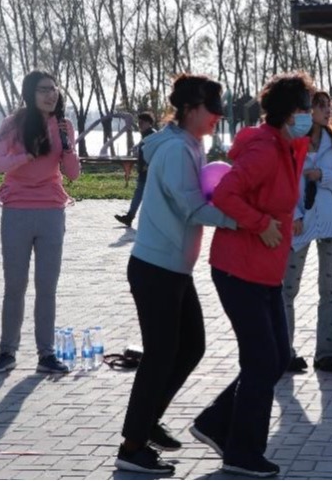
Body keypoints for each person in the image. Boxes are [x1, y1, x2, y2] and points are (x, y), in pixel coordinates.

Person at [190, 72, 314, 478]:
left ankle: (215, 423)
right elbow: (226, 193)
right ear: (290, 112)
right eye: (306, 108)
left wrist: (279, 221)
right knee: (261, 361)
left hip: (265, 272)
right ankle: (242, 453)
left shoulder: (287, 146)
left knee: (277, 358)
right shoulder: (264, 149)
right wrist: (261, 224)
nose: (312, 116)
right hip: (238, 269)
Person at [115, 75, 236, 475]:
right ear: (188, 110)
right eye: (210, 109)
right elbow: (193, 208)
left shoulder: (190, 144)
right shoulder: (174, 151)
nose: (217, 116)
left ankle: (148, 421)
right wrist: (244, 220)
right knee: (160, 355)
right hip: (156, 268)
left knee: (190, 346)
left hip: (173, 268)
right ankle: (132, 447)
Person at [0, 71, 80, 375]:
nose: (51, 95)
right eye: (43, 90)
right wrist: (25, 156)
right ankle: (7, 352)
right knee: (15, 285)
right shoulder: (13, 124)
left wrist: (68, 148)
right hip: (17, 210)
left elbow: (73, 174)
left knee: (47, 287)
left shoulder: (64, 126)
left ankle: (46, 355)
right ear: (30, 93)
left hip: (52, 211)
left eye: (54, 89)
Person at [282, 91, 332, 373]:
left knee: (329, 288)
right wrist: (294, 215)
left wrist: (323, 175)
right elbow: (283, 183)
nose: (327, 110)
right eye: (319, 106)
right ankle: (284, 351)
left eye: (328, 105)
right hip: (299, 223)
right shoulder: (290, 142)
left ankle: (327, 353)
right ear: (306, 110)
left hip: (331, 223)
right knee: (288, 288)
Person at [115, 112, 157, 228]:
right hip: (144, 171)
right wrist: (136, 149)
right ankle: (130, 217)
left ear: (149, 123)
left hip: (149, 172)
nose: (140, 124)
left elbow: (155, 152)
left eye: (142, 122)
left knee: (145, 196)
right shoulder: (146, 135)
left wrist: (148, 164)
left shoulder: (152, 136)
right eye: (139, 122)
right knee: (140, 194)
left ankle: (132, 217)